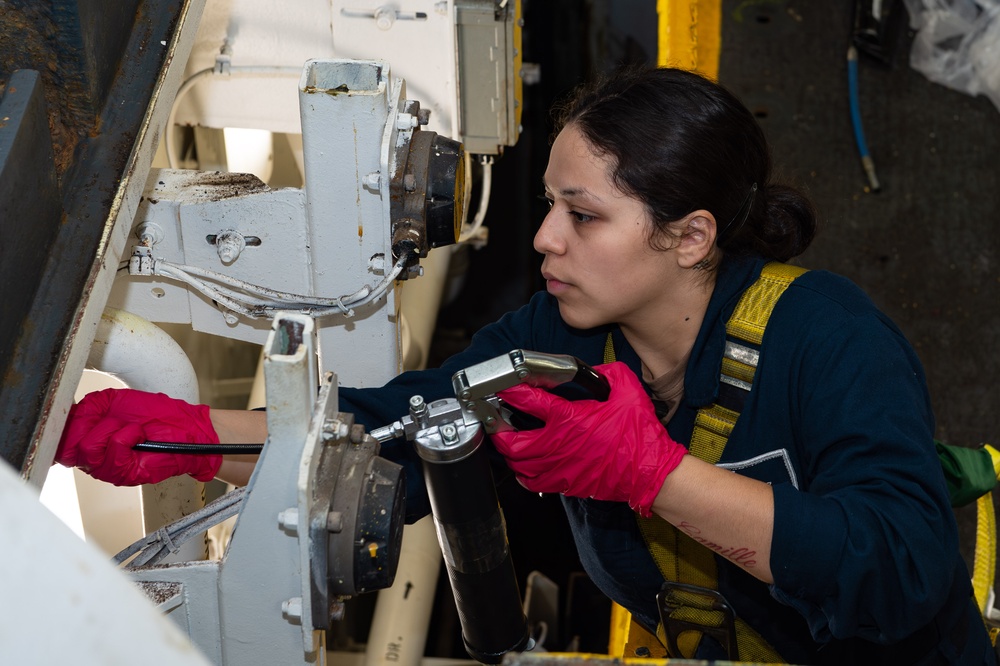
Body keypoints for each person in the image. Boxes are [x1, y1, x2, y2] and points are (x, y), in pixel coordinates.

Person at [56, 65, 995, 664]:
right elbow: (394, 431)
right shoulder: (561, 339)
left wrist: (652, 474)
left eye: (583, 216)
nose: (544, 238)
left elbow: (905, 576)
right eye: (550, 205)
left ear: (689, 235)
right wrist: (178, 438)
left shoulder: (825, 336)